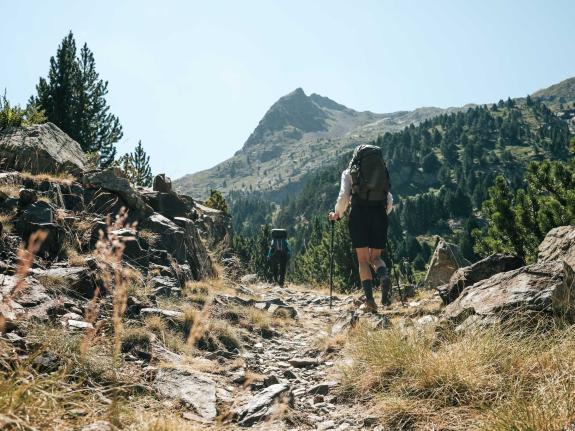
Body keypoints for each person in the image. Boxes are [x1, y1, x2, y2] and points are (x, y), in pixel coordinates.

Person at [329, 145, 394, 312]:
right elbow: (389, 198)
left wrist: (337, 214)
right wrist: (382, 214)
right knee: (376, 257)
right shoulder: (382, 171)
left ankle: (370, 300)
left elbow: (344, 196)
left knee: (363, 260)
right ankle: (383, 275)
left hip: (359, 215)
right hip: (379, 213)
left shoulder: (349, 172)